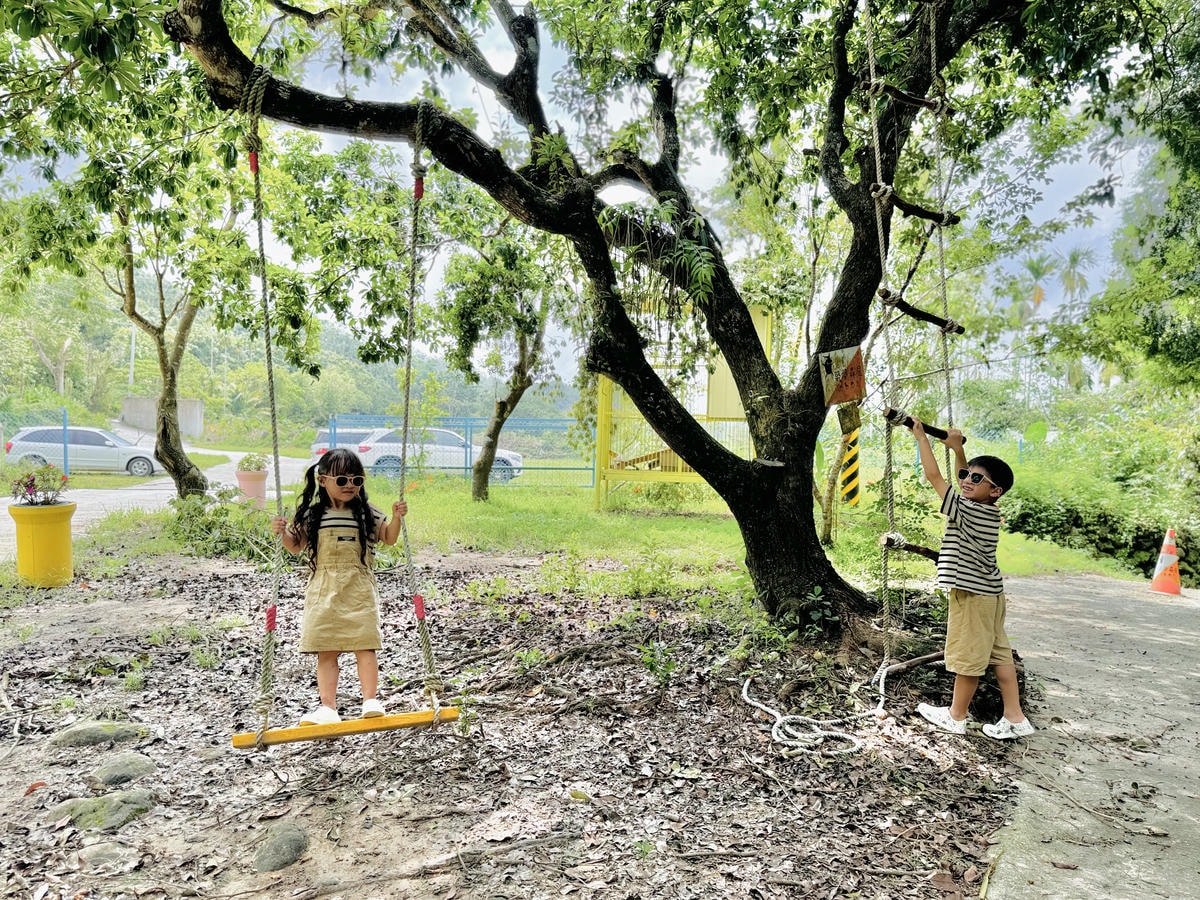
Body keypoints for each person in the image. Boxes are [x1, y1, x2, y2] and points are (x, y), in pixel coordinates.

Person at [906, 418, 1034, 740]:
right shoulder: (985, 508)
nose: (965, 480)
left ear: (995, 491)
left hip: (973, 595)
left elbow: (934, 476)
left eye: (976, 478)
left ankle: (956, 716)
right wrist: (958, 451)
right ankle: (1015, 717)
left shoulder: (970, 510)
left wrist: (921, 436)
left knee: (969, 658)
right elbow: (966, 484)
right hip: (991, 594)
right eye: (966, 475)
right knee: (998, 654)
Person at [270, 448, 408, 726]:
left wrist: (396, 518)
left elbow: (390, 538)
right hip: (324, 587)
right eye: (342, 480)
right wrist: (282, 532)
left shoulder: (367, 513)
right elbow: (295, 546)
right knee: (326, 648)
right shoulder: (313, 515)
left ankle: (370, 700)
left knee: (365, 645)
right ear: (323, 481)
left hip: (358, 587)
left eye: (356, 480)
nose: (350, 486)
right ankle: (328, 707)